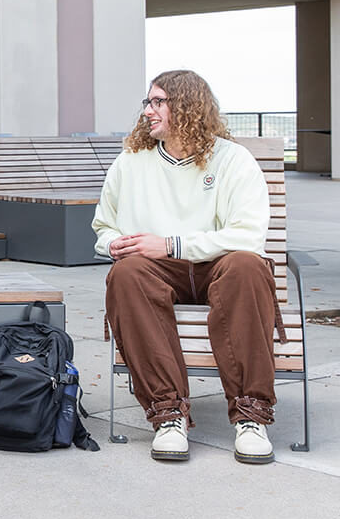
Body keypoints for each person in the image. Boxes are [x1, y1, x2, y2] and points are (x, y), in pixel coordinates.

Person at [92, 69, 283, 464]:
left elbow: (248, 236)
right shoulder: (130, 162)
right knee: (127, 274)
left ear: (186, 107)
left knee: (247, 267)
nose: (147, 110)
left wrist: (172, 244)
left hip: (220, 266)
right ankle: (168, 416)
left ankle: (251, 417)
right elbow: (103, 225)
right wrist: (114, 244)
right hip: (158, 272)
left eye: (157, 101)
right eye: (147, 102)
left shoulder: (233, 160)